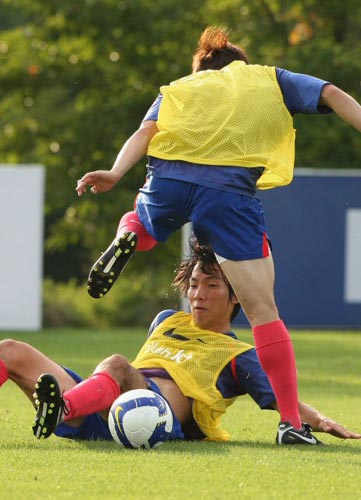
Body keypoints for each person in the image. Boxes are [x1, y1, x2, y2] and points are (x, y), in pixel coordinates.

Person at [75, 27, 361, 443]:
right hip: (228, 191)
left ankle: (130, 236)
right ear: (239, 65)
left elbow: (145, 134)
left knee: (140, 219)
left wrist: (115, 173)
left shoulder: (180, 87)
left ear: (202, 68)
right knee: (263, 311)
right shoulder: (268, 77)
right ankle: (290, 424)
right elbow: (334, 94)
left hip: (168, 179)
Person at [1, 243, 358, 445]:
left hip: (152, 420)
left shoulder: (238, 356)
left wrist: (321, 420)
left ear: (236, 297)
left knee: (118, 365)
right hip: (102, 405)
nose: (197, 295)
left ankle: (62, 408)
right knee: (10, 350)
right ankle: (69, 406)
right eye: (194, 285)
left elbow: (283, 399)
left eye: (211, 286)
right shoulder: (166, 320)